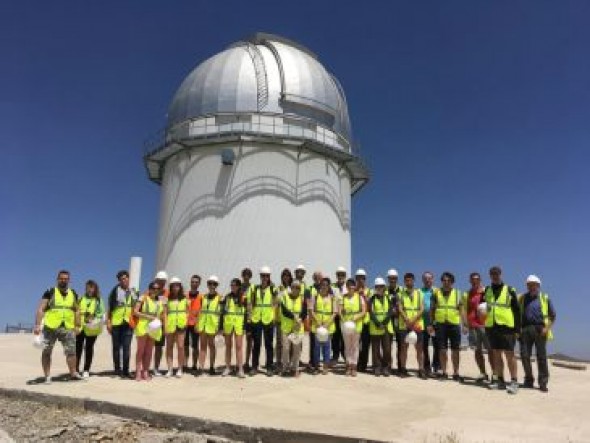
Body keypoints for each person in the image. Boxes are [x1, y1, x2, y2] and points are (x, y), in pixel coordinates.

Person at [34, 270, 82, 383]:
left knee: (71, 352)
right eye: (61, 278)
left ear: (69, 280)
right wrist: (37, 325)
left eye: (66, 279)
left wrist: (78, 325)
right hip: (50, 326)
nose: (64, 281)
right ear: (58, 279)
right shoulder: (50, 292)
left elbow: (77, 310)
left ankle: (73, 373)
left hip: (67, 327)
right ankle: (47, 376)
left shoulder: (73, 293)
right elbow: (41, 309)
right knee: (46, 351)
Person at [484, 266, 521, 394]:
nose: (495, 276)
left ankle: (514, 382)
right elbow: (484, 307)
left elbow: (517, 310)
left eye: (497, 273)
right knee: (496, 354)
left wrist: (517, 329)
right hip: (492, 326)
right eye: (492, 274)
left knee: (510, 354)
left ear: (501, 274)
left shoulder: (510, 290)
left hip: (507, 326)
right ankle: (500, 381)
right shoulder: (487, 290)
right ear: (490, 276)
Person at [519, 274, 556, 393]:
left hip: (540, 329)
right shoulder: (522, 298)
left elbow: (553, 315)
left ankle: (543, 382)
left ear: (538, 286)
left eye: (533, 285)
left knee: (541, 357)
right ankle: (529, 380)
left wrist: (547, 328)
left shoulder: (545, 298)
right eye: (529, 285)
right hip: (525, 329)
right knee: (524, 356)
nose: (531, 287)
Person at [429, 272, 463, 381]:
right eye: (444, 280)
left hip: (454, 324)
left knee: (455, 350)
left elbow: (462, 309)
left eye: (448, 280)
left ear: (452, 282)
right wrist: (430, 324)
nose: (446, 282)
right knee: (442, 350)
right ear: (442, 281)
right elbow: (432, 310)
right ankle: (444, 372)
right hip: (440, 325)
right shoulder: (436, 293)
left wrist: (465, 324)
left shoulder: (458, 293)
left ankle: (456, 373)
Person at [106, 270, 139, 378]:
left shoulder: (134, 291)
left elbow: (137, 307)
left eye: (125, 278)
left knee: (126, 347)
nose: (123, 280)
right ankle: (117, 370)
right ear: (119, 281)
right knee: (116, 347)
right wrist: (108, 322)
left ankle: (126, 371)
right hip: (116, 322)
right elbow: (110, 308)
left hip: (128, 322)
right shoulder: (114, 291)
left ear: (129, 278)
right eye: (121, 279)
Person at [462, 272, 492, 383]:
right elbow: (464, 309)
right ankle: (483, 373)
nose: (475, 281)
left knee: (490, 351)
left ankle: (495, 374)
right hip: (472, 326)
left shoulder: (486, 292)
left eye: (477, 279)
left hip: (485, 326)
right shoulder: (467, 294)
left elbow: (492, 306)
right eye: (472, 279)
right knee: (477, 351)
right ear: (470, 281)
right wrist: (464, 324)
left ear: (480, 280)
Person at [249, 266, 277, 376]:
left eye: (267, 276)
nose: (265, 278)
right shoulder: (254, 288)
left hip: (268, 319)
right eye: (263, 276)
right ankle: (254, 367)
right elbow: (251, 303)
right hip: (256, 319)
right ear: (260, 276)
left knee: (268, 344)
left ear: (269, 277)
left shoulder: (272, 289)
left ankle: (269, 367)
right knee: (256, 344)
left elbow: (275, 303)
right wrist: (250, 317)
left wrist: (273, 316)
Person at [398, 273, 426, 379]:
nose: (408, 282)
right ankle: (403, 369)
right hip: (404, 324)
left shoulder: (419, 294)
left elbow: (422, 308)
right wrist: (406, 319)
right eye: (406, 280)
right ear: (404, 281)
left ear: (414, 281)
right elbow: (400, 308)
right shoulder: (401, 294)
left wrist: (413, 320)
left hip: (417, 324)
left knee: (419, 349)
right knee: (404, 348)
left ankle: (421, 369)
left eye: (410, 280)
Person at [134, 281, 163, 382]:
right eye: (153, 288)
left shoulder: (160, 301)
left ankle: (145, 371)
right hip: (143, 325)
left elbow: (161, 315)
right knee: (140, 350)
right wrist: (148, 316)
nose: (155, 290)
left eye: (157, 288)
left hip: (154, 327)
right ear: (149, 289)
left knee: (149, 351)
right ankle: (138, 372)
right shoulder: (143, 298)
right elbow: (135, 312)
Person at [76, 280, 105, 378]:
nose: (90, 289)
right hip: (80, 326)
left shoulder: (98, 300)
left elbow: (102, 312)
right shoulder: (80, 298)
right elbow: (76, 310)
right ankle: (75, 369)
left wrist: (94, 316)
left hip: (92, 326)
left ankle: (86, 369)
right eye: (88, 287)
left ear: (95, 289)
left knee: (88, 348)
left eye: (92, 287)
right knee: (78, 348)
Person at [280, 280, 307, 377]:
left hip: (297, 327)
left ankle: (295, 368)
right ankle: (285, 367)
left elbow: (304, 312)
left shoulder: (302, 299)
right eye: (294, 287)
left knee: (296, 349)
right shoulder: (285, 296)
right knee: (286, 349)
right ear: (291, 288)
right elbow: (284, 310)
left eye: (298, 288)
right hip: (286, 327)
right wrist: (294, 317)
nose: (296, 289)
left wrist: (300, 319)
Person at [197, 275, 223, 375]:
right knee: (202, 346)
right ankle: (201, 367)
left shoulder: (220, 298)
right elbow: (200, 311)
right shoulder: (203, 297)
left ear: (217, 285)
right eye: (210, 283)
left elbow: (221, 314)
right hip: (203, 324)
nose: (212, 286)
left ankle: (212, 367)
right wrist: (198, 324)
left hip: (213, 326)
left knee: (212, 347)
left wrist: (220, 328)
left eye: (214, 284)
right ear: (207, 285)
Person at [221, 278, 247, 378]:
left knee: (239, 347)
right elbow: (223, 312)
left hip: (239, 325)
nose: (232, 287)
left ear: (239, 286)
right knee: (228, 347)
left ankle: (240, 369)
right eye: (231, 285)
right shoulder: (227, 297)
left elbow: (246, 314)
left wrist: (245, 327)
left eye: (235, 285)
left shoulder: (243, 297)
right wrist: (221, 327)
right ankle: (227, 367)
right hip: (228, 324)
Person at [341, 278, 366, 377]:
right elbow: (340, 311)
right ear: (346, 287)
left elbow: (364, 311)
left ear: (354, 287)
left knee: (355, 346)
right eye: (349, 286)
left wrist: (356, 317)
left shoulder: (360, 297)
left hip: (356, 325)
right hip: (346, 326)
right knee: (347, 346)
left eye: (352, 286)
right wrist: (344, 320)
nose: (350, 288)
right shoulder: (343, 297)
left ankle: (354, 366)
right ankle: (348, 366)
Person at [310, 277, 336, 374]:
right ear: (320, 286)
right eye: (323, 284)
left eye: (326, 285)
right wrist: (318, 322)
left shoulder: (332, 298)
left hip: (328, 327)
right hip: (317, 326)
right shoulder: (315, 296)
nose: (324, 286)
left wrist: (327, 323)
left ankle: (325, 366)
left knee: (327, 347)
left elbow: (334, 312)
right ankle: (316, 367)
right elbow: (311, 310)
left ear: (329, 286)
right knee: (316, 348)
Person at [369, 277, 394, 376]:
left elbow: (390, 311)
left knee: (387, 349)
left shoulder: (388, 298)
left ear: (384, 287)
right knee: (375, 349)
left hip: (386, 327)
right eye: (377, 287)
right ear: (375, 288)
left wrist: (384, 323)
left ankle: (386, 367)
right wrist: (378, 323)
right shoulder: (372, 299)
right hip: (375, 327)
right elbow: (371, 312)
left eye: (381, 287)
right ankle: (377, 367)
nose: (379, 288)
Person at [164, 277, 187, 377]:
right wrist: (165, 326)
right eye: (173, 285)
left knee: (181, 347)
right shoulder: (167, 298)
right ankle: (170, 369)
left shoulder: (185, 298)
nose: (175, 287)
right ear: (171, 287)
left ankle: (180, 369)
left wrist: (186, 321)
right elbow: (164, 313)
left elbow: (188, 311)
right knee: (169, 347)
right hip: (170, 324)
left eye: (177, 285)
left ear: (180, 286)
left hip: (181, 324)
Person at [421, 271, 440, 375]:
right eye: (425, 278)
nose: (427, 280)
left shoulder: (437, 291)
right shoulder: (419, 291)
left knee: (436, 345)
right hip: (423, 322)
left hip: (434, 323)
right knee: (424, 346)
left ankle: (436, 366)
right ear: (422, 280)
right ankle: (426, 366)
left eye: (429, 278)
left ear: (432, 279)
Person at [275, 268, 293, 373]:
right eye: (284, 275)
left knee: (290, 341)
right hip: (280, 319)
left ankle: (289, 362)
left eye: (287, 275)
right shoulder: (279, 288)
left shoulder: (293, 288)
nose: (286, 277)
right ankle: (278, 362)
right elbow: (275, 302)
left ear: (290, 277)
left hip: (290, 320)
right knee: (279, 343)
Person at [385, 269, 403, 373]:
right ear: (388, 279)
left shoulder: (402, 290)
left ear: (397, 279)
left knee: (400, 345)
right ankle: (388, 366)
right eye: (391, 278)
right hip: (388, 320)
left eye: (394, 278)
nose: (392, 280)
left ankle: (400, 367)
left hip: (400, 320)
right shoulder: (384, 290)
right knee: (387, 345)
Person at [355, 269, 372, 373]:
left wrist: (364, 296)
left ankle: (363, 365)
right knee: (355, 344)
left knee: (365, 344)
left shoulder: (369, 291)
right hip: (356, 321)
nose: (360, 279)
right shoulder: (352, 291)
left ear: (365, 279)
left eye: (362, 277)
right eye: (358, 277)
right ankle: (354, 363)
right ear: (356, 279)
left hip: (365, 322)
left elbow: (370, 307)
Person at [152, 270, 169, 376]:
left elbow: (166, 311)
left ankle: (156, 368)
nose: (161, 283)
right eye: (159, 281)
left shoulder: (167, 294)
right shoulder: (148, 293)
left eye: (163, 281)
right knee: (147, 347)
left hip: (160, 324)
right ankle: (144, 367)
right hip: (149, 323)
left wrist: (165, 326)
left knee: (159, 347)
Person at [305, 271, 322, 372]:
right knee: (313, 342)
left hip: (322, 319)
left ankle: (318, 362)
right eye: (316, 277)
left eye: (319, 277)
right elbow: (307, 303)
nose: (318, 279)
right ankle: (312, 362)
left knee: (321, 341)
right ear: (313, 278)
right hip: (312, 318)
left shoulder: (325, 288)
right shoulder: (309, 289)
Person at [185, 275, 202, 371]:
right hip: (185, 324)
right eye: (193, 282)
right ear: (190, 282)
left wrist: (198, 323)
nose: (194, 284)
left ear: (199, 283)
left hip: (196, 324)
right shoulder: (185, 296)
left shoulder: (201, 297)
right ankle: (185, 364)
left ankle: (194, 365)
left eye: (196, 282)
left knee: (195, 346)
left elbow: (202, 311)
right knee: (185, 345)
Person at [331, 267, 347, 364]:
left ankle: (344, 355)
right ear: (336, 276)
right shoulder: (332, 286)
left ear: (345, 276)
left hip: (345, 316)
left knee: (344, 336)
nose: (340, 276)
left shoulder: (348, 286)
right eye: (339, 274)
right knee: (335, 337)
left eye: (342, 275)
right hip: (335, 315)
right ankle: (335, 355)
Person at [241, 268, 256, 372]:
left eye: (248, 275)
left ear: (250, 276)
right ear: (242, 276)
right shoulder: (239, 287)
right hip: (239, 317)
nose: (246, 276)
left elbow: (255, 302)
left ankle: (246, 362)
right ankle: (239, 363)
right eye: (244, 275)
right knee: (238, 341)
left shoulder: (253, 287)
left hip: (249, 317)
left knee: (249, 340)